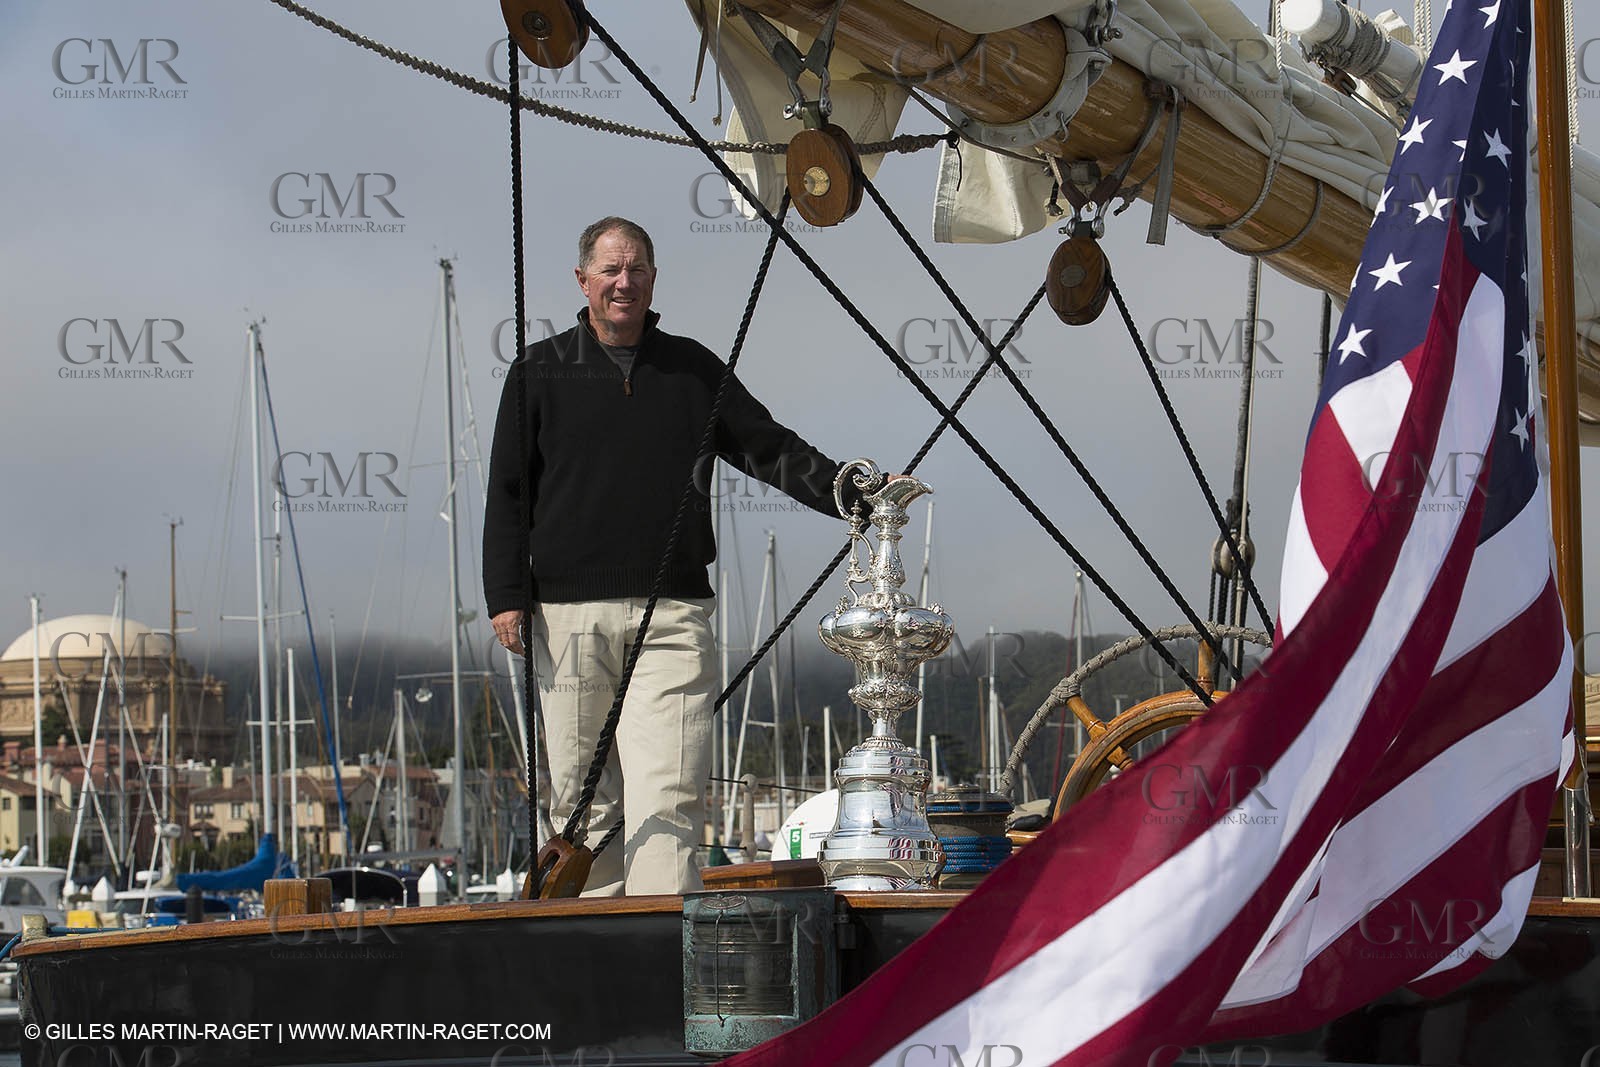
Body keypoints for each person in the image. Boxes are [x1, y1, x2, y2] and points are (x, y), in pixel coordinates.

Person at [483, 216, 868, 896]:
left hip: (672, 615)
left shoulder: (692, 370)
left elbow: (768, 447)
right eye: (609, 270)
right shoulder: (537, 371)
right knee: (579, 803)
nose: (623, 282)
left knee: (669, 797)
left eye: (636, 269)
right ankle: (592, 957)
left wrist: (849, 491)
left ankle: (660, 950)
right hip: (566, 616)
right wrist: (505, 595)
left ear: (654, 279)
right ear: (583, 281)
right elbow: (507, 490)